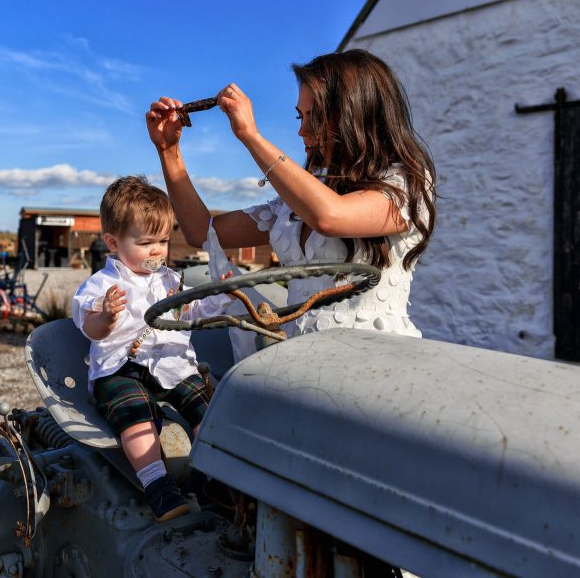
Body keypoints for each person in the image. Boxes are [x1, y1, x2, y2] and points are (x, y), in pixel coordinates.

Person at [146, 49, 436, 340]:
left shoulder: (406, 184)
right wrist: (169, 152)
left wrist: (251, 135)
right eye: (300, 116)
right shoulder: (293, 205)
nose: (302, 130)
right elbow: (200, 232)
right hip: (295, 366)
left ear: (357, 114)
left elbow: (329, 216)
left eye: (316, 116)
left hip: (374, 363)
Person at [70, 176, 231, 522]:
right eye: (145, 242)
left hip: (172, 365)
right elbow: (90, 327)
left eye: (163, 240)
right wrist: (106, 316)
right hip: (122, 367)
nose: (157, 250)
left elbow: (191, 312)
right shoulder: (103, 284)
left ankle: (216, 477)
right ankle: (157, 484)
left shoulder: (172, 281)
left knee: (210, 406)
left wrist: (220, 297)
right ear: (113, 242)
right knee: (136, 417)